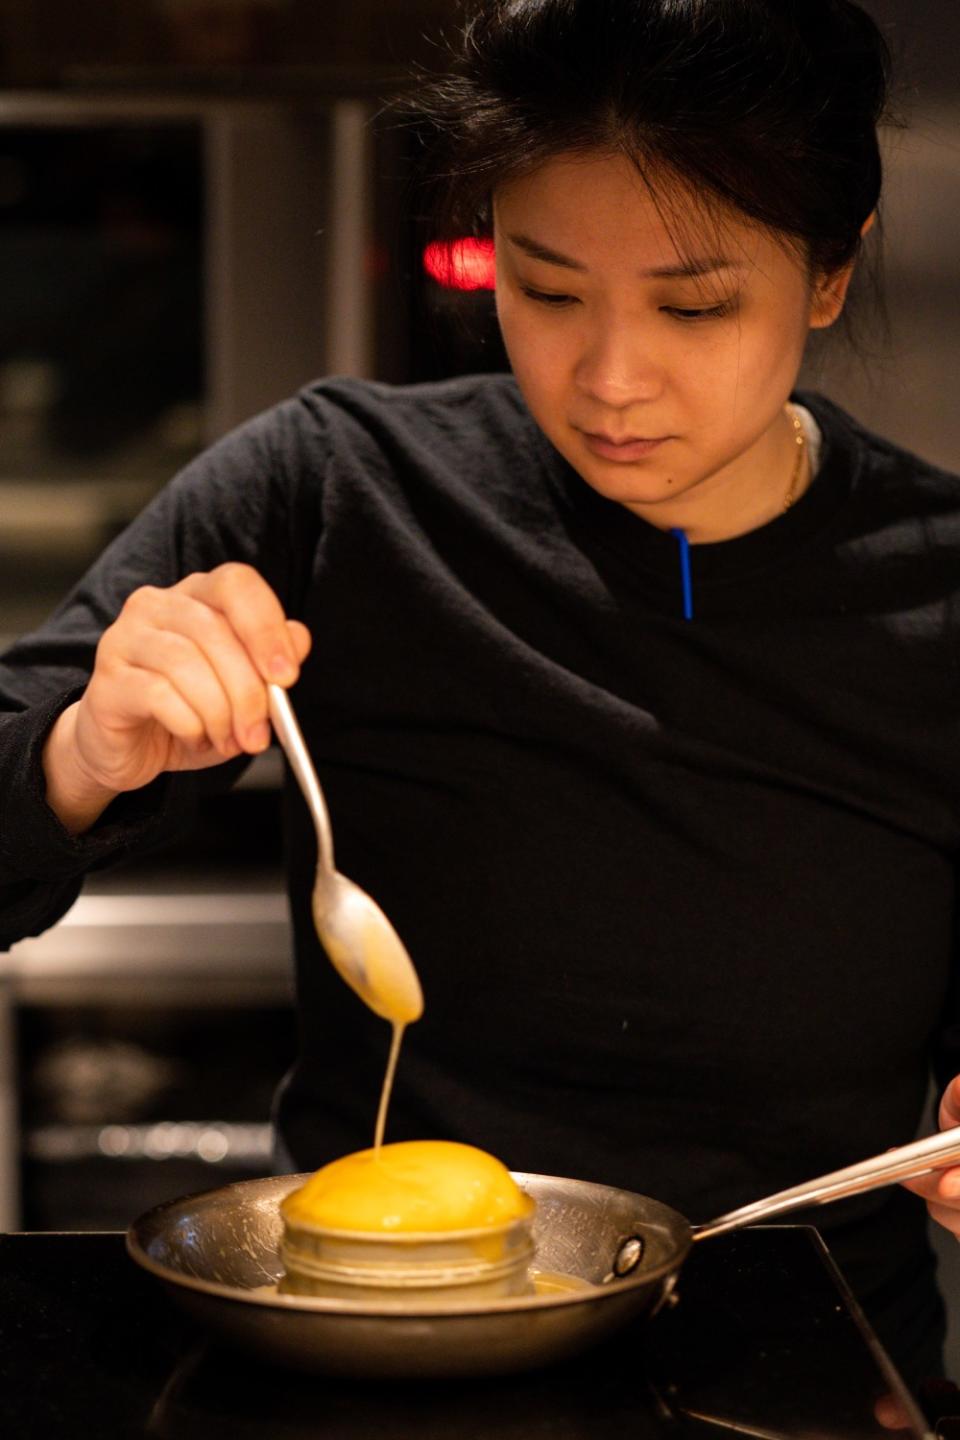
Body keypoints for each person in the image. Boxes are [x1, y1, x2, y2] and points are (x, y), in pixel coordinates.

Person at [0, 0, 958, 1389]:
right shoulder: (336, 490)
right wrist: (83, 752)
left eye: (695, 304)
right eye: (547, 288)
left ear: (829, 274)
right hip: (360, 1368)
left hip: (805, 1377)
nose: (611, 380)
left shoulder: (934, 592)